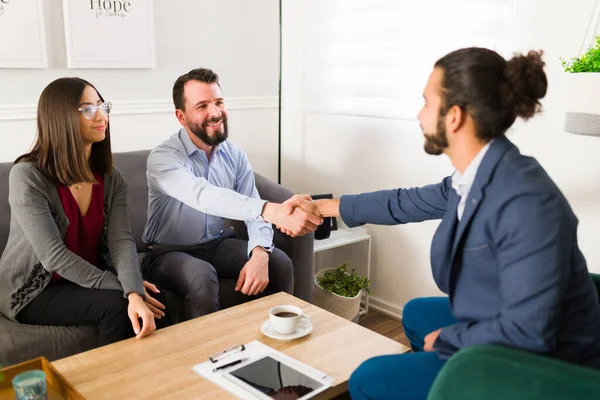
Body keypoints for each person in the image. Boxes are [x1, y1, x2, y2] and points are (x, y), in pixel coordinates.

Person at [284, 48, 600, 399]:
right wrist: (325, 206)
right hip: (510, 318)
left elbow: (528, 332)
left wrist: (449, 339)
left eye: (425, 102)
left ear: (454, 116)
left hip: (551, 365)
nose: (418, 114)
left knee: (368, 378)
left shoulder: (527, 202)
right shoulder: (480, 173)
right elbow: (405, 201)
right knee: (418, 313)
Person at [141, 68, 322, 321]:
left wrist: (259, 251)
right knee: (201, 276)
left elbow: (251, 204)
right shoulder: (163, 158)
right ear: (181, 116)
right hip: (168, 252)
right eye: (202, 106)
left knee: (277, 262)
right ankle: (209, 357)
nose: (215, 113)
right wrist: (271, 210)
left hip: (216, 244)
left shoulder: (234, 154)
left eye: (218, 102)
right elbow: (203, 196)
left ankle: (273, 350)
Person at [0, 77, 168, 346]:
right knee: (118, 305)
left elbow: (121, 242)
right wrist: (126, 289)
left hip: (88, 278)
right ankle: (109, 386)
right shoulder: (27, 176)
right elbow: (53, 256)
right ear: (60, 117)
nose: (102, 116)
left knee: (161, 300)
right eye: (88, 109)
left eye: (103, 106)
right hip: (36, 290)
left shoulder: (112, 178)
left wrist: (133, 289)